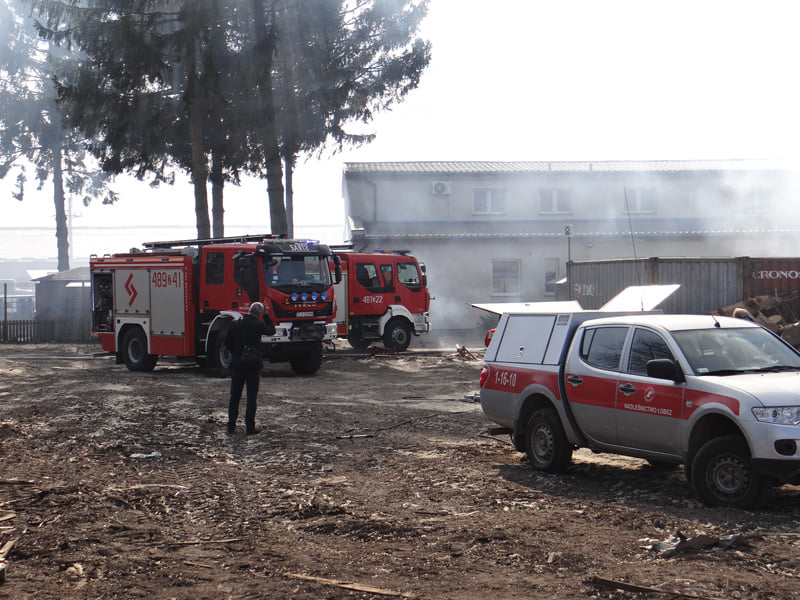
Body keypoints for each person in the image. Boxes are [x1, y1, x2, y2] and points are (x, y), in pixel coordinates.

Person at [225, 302, 276, 435]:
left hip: (237, 364)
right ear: (259, 314)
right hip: (253, 364)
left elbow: (227, 343)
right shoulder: (258, 324)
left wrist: (237, 354)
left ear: (249, 310)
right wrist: (267, 316)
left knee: (234, 396)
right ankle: (249, 427)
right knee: (251, 397)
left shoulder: (235, 324)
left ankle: (231, 425)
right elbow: (271, 330)